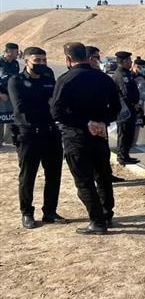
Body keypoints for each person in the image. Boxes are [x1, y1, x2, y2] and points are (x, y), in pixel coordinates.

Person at [51, 42, 121, 234]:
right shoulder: (103, 79)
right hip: (99, 135)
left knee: (84, 181)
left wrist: (85, 123)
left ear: (67, 59)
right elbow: (116, 108)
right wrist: (102, 122)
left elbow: (56, 112)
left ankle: (97, 221)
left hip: (77, 137)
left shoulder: (66, 80)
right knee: (103, 176)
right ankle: (107, 213)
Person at [8, 47, 65, 229]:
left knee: (54, 174)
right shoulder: (16, 81)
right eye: (37, 60)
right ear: (26, 61)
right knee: (28, 176)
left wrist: (47, 106)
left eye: (43, 60)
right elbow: (21, 108)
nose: (41, 64)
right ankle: (27, 213)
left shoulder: (49, 79)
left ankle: (50, 211)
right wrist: (45, 105)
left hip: (50, 133)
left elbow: (56, 103)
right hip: (29, 134)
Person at [86, 45, 125, 183]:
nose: (99, 61)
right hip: (84, 126)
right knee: (88, 156)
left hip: (101, 123)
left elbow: (114, 102)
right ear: (89, 58)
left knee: (103, 153)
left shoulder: (102, 78)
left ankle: (106, 174)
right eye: (97, 57)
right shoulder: (77, 77)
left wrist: (106, 120)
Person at [113, 51, 141, 165]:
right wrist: (134, 104)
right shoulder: (120, 75)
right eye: (129, 60)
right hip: (125, 110)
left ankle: (126, 155)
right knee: (124, 133)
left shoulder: (127, 73)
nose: (131, 62)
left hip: (131, 109)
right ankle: (122, 156)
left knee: (129, 133)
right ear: (124, 62)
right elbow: (125, 93)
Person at [0, 42, 20, 146]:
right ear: (9, 52)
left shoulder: (15, 63)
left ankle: (9, 140)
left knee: (10, 118)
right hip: (1, 95)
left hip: (11, 95)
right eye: (16, 52)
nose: (18, 54)